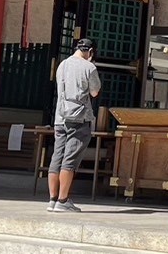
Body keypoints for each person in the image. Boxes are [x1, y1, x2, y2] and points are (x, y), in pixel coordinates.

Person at [48, 37, 101, 212]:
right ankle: (63, 201)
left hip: (59, 117)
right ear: (91, 51)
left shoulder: (62, 64)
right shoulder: (89, 67)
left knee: (57, 156)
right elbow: (94, 92)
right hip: (78, 117)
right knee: (69, 159)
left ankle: (52, 199)